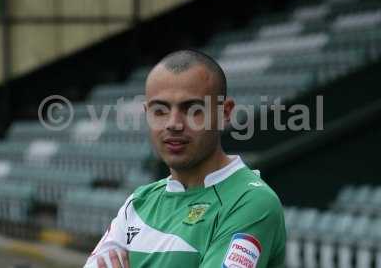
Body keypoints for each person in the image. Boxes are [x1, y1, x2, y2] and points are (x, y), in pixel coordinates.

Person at [83, 50, 286, 268]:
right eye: (160, 110)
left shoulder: (251, 201)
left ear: (225, 113)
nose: (173, 123)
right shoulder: (138, 202)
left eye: (192, 109)